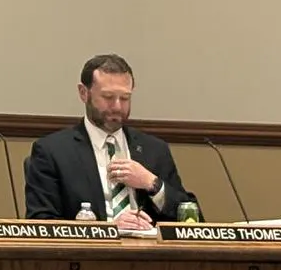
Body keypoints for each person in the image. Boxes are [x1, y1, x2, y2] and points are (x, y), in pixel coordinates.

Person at [25, 53, 191, 227]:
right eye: (108, 97)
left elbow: (190, 216)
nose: (118, 107)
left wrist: (152, 184)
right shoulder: (53, 151)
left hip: (149, 251)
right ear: (84, 93)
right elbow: (41, 222)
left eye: (125, 98)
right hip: (90, 252)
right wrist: (109, 228)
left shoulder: (154, 149)